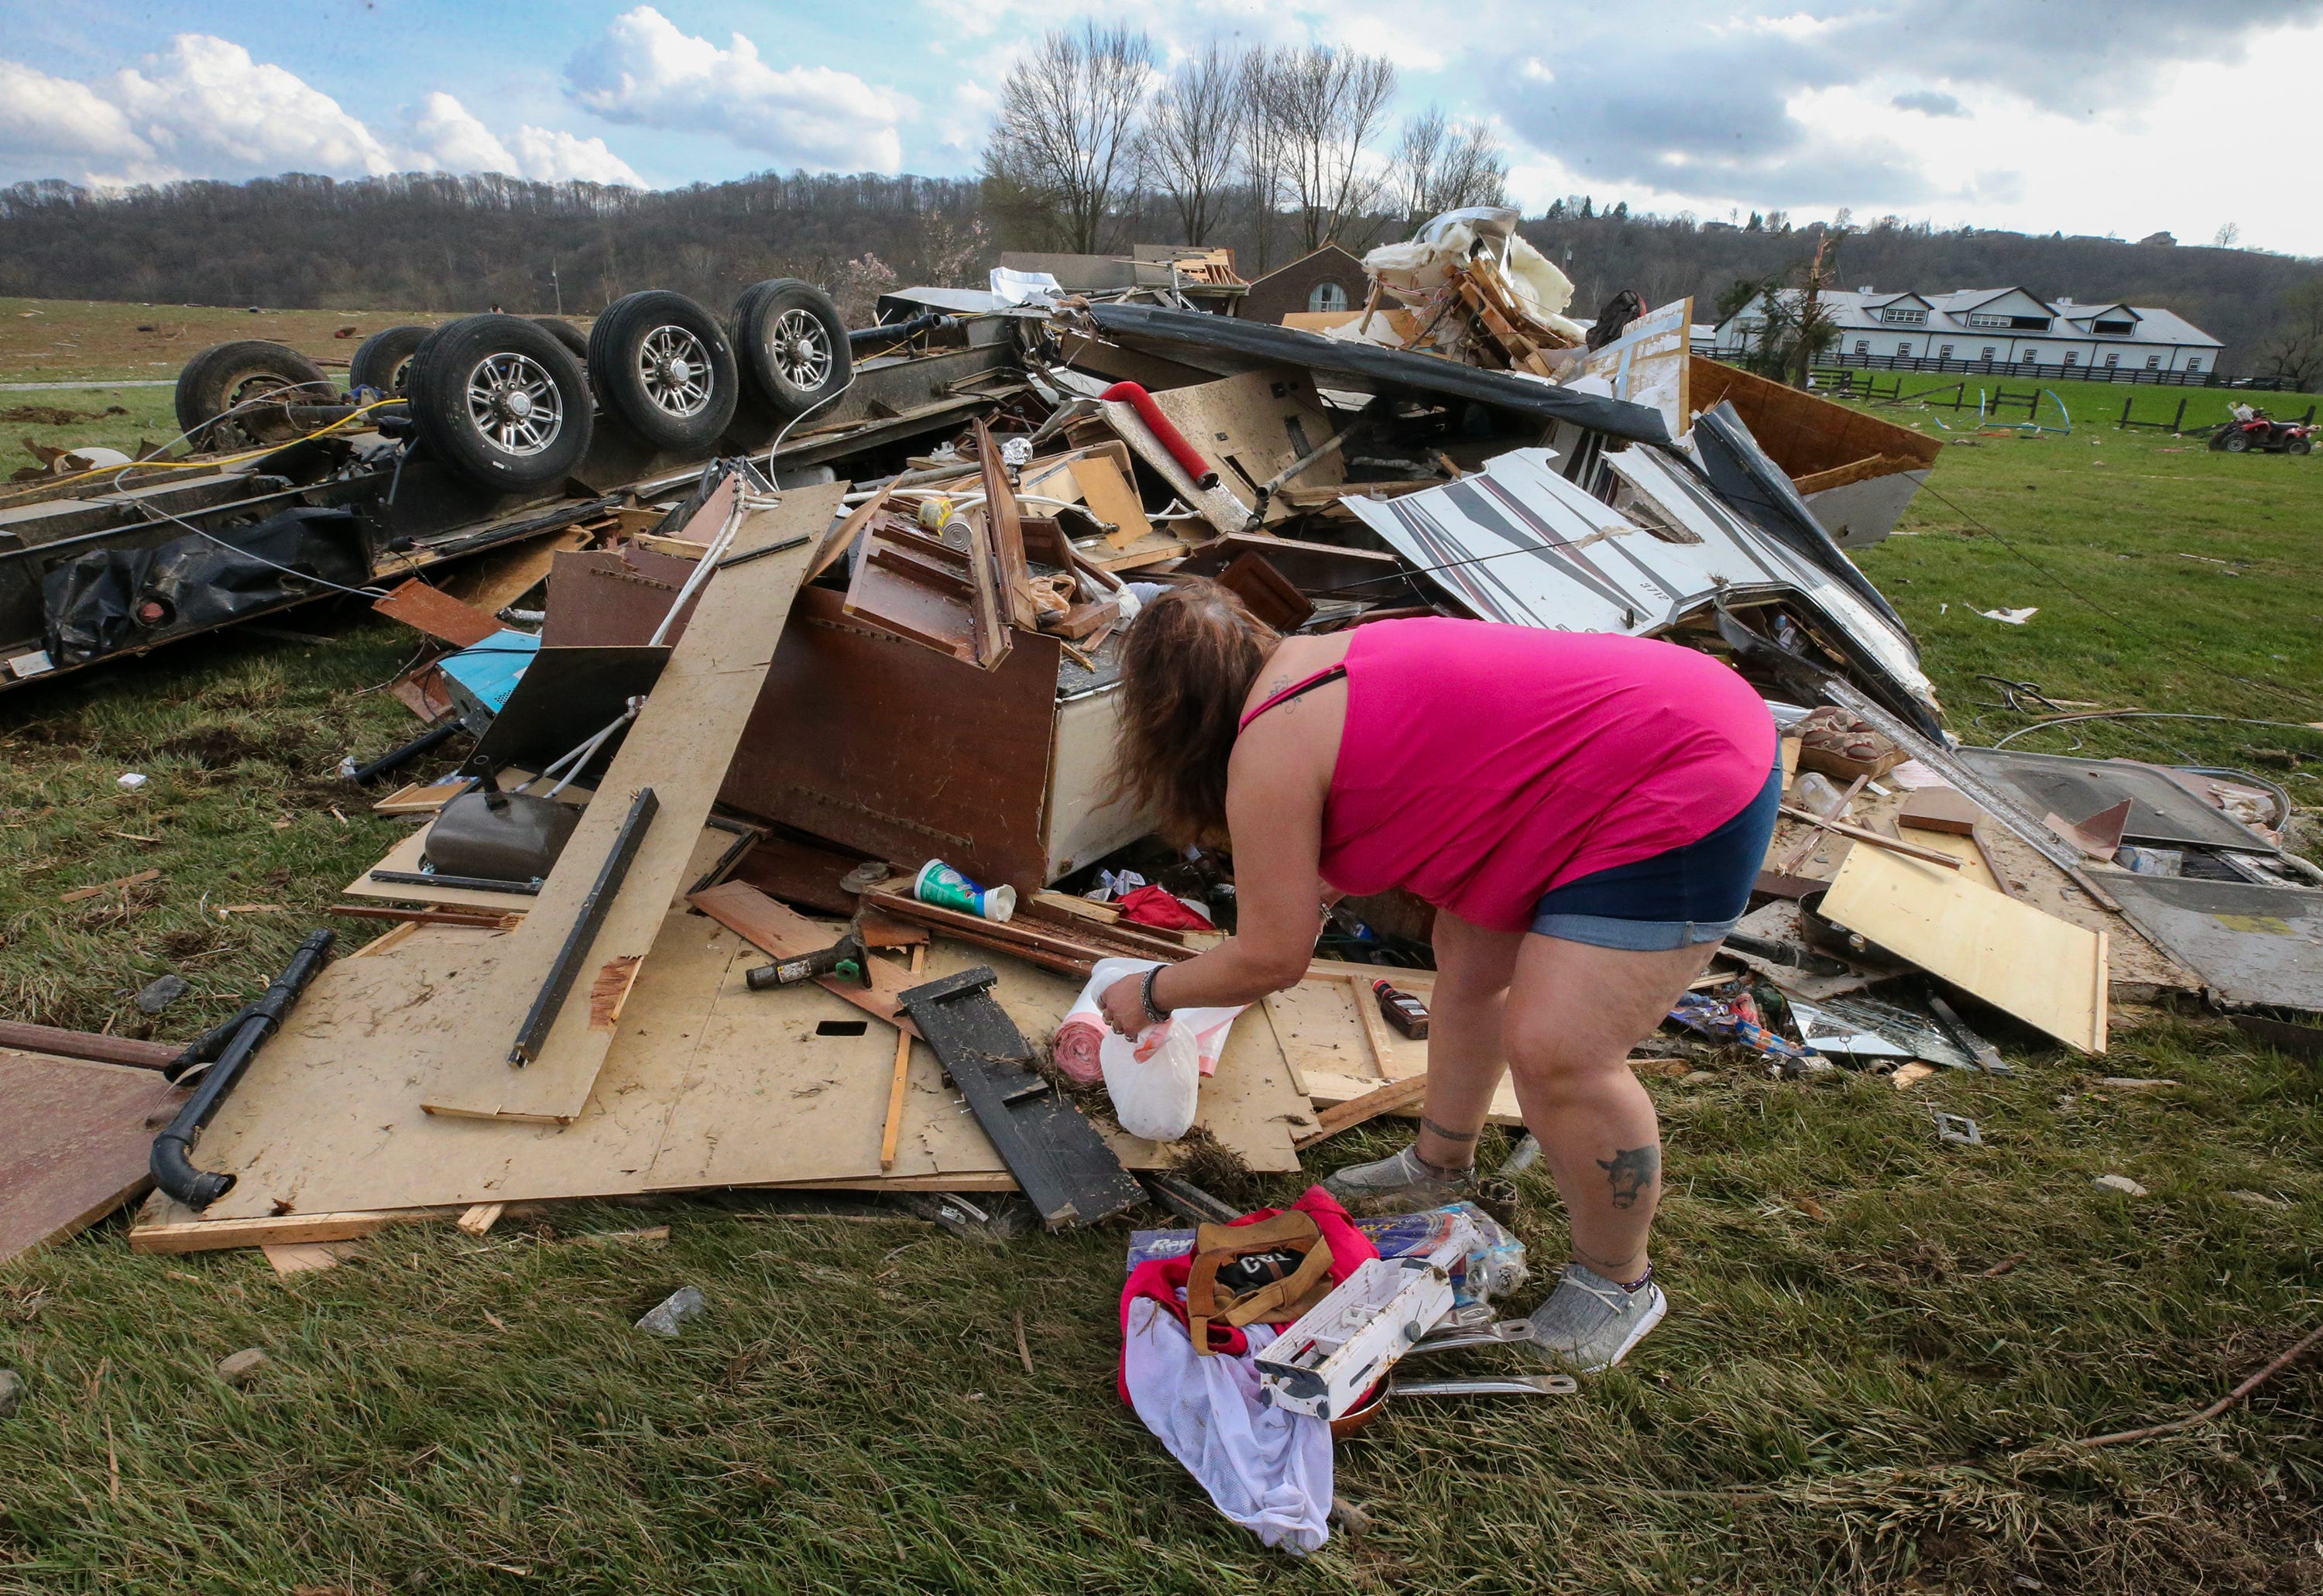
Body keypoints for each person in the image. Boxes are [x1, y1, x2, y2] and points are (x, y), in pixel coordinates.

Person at [1097, 581, 1779, 1373]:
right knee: (1469, 960)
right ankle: (1439, 1163)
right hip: (1638, 735)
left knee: (1561, 1051)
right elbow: (1419, 772)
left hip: (1683, 771)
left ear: (1170, 721)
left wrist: (1149, 993)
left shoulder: (1268, 749)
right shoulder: (1310, 667)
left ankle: (1619, 1281)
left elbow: (1271, 958)